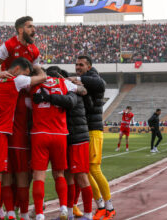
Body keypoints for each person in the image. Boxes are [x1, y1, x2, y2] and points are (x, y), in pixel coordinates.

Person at [0, 57, 46, 220]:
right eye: (26, 74)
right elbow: (42, 78)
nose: (27, 79)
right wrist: (37, 67)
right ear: (18, 69)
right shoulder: (17, 79)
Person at [0, 16, 41, 220]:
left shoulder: (34, 50)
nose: (34, 30)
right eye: (30, 27)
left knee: (23, 168)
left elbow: (38, 70)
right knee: (8, 168)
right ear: (20, 29)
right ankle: (5, 209)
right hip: (9, 98)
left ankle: (17, 208)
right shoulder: (8, 45)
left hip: (26, 101)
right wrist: (0, 81)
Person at [34, 67, 94, 220]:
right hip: (64, 136)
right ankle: (68, 211)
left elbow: (71, 101)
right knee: (67, 176)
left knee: (80, 176)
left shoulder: (70, 90)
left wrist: (49, 97)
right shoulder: (66, 87)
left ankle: (88, 214)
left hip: (76, 137)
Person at [68, 55, 115, 220]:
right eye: (76, 64)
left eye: (81, 64)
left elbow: (100, 83)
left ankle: (109, 207)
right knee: (86, 172)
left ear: (89, 66)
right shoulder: (85, 81)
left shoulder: (94, 78)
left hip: (94, 130)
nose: (77, 67)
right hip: (87, 130)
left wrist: (79, 80)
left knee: (94, 169)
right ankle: (101, 205)